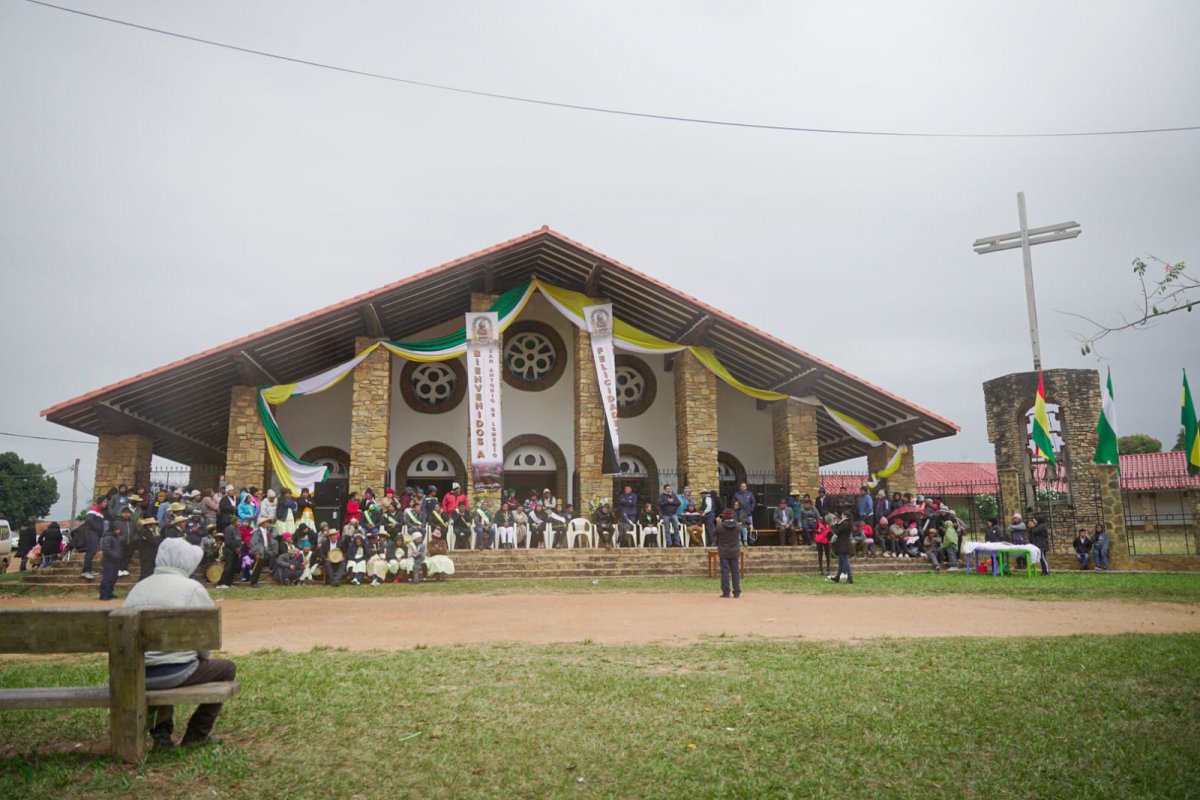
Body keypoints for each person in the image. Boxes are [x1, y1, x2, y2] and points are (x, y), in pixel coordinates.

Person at [124, 538, 237, 750]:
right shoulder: (192, 589)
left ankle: (161, 736)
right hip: (176, 671)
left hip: (138, 673)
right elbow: (205, 640)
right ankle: (196, 735)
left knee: (158, 662)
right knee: (227, 668)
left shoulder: (139, 588)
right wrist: (202, 659)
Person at [714, 509, 742, 598]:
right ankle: (736, 592)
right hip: (734, 551)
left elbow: (713, 534)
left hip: (724, 551)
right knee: (735, 572)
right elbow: (740, 529)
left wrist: (718, 523)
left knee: (725, 572)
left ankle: (726, 592)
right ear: (732, 516)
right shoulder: (737, 526)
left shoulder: (720, 526)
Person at [79, 497, 108, 580]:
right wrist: (98, 528)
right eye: (104, 502)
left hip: (96, 534)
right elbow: (89, 520)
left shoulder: (101, 512)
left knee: (93, 551)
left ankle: (89, 569)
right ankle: (85, 571)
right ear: (100, 502)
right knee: (90, 551)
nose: (106, 504)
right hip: (92, 533)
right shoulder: (93, 509)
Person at [98, 517, 122, 600]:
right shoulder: (107, 538)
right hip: (109, 561)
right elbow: (106, 549)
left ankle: (110, 593)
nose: (119, 531)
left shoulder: (117, 538)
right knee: (107, 578)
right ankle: (104, 594)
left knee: (113, 578)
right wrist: (115, 555)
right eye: (117, 529)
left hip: (115, 561)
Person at [828, 512, 855, 584]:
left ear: (845, 516)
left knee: (845, 561)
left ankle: (850, 577)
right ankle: (837, 577)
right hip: (844, 543)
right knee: (841, 562)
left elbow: (837, 532)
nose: (841, 516)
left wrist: (833, 525)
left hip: (842, 544)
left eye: (842, 515)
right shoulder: (847, 523)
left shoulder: (844, 523)